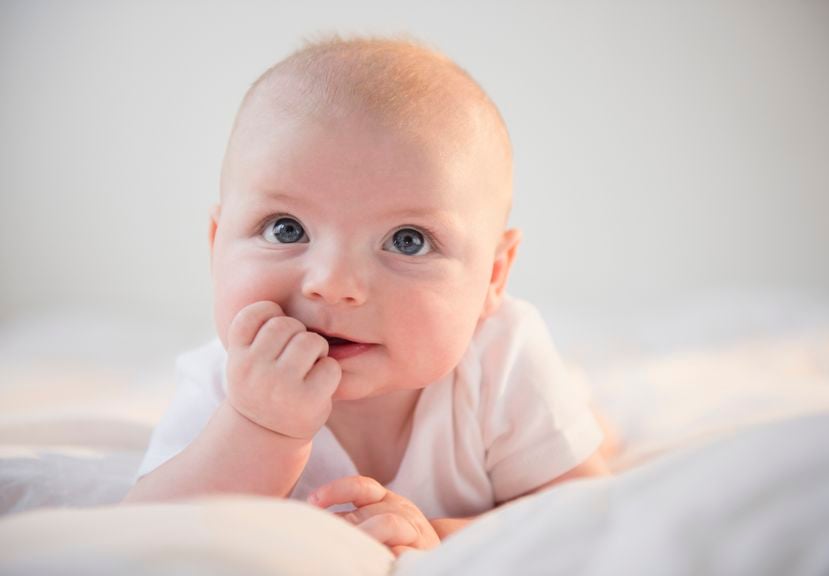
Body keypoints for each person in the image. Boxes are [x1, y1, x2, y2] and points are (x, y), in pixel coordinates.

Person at [124, 36, 610, 555]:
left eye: (409, 241)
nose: (332, 283)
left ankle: (591, 420)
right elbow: (145, 532)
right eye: (286, 229)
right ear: (217, 246)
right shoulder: (228, 379)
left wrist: (439, 536)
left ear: (493, 278)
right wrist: (258, 427)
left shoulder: (501, 357)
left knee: (590, 436)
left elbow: (585, 515)